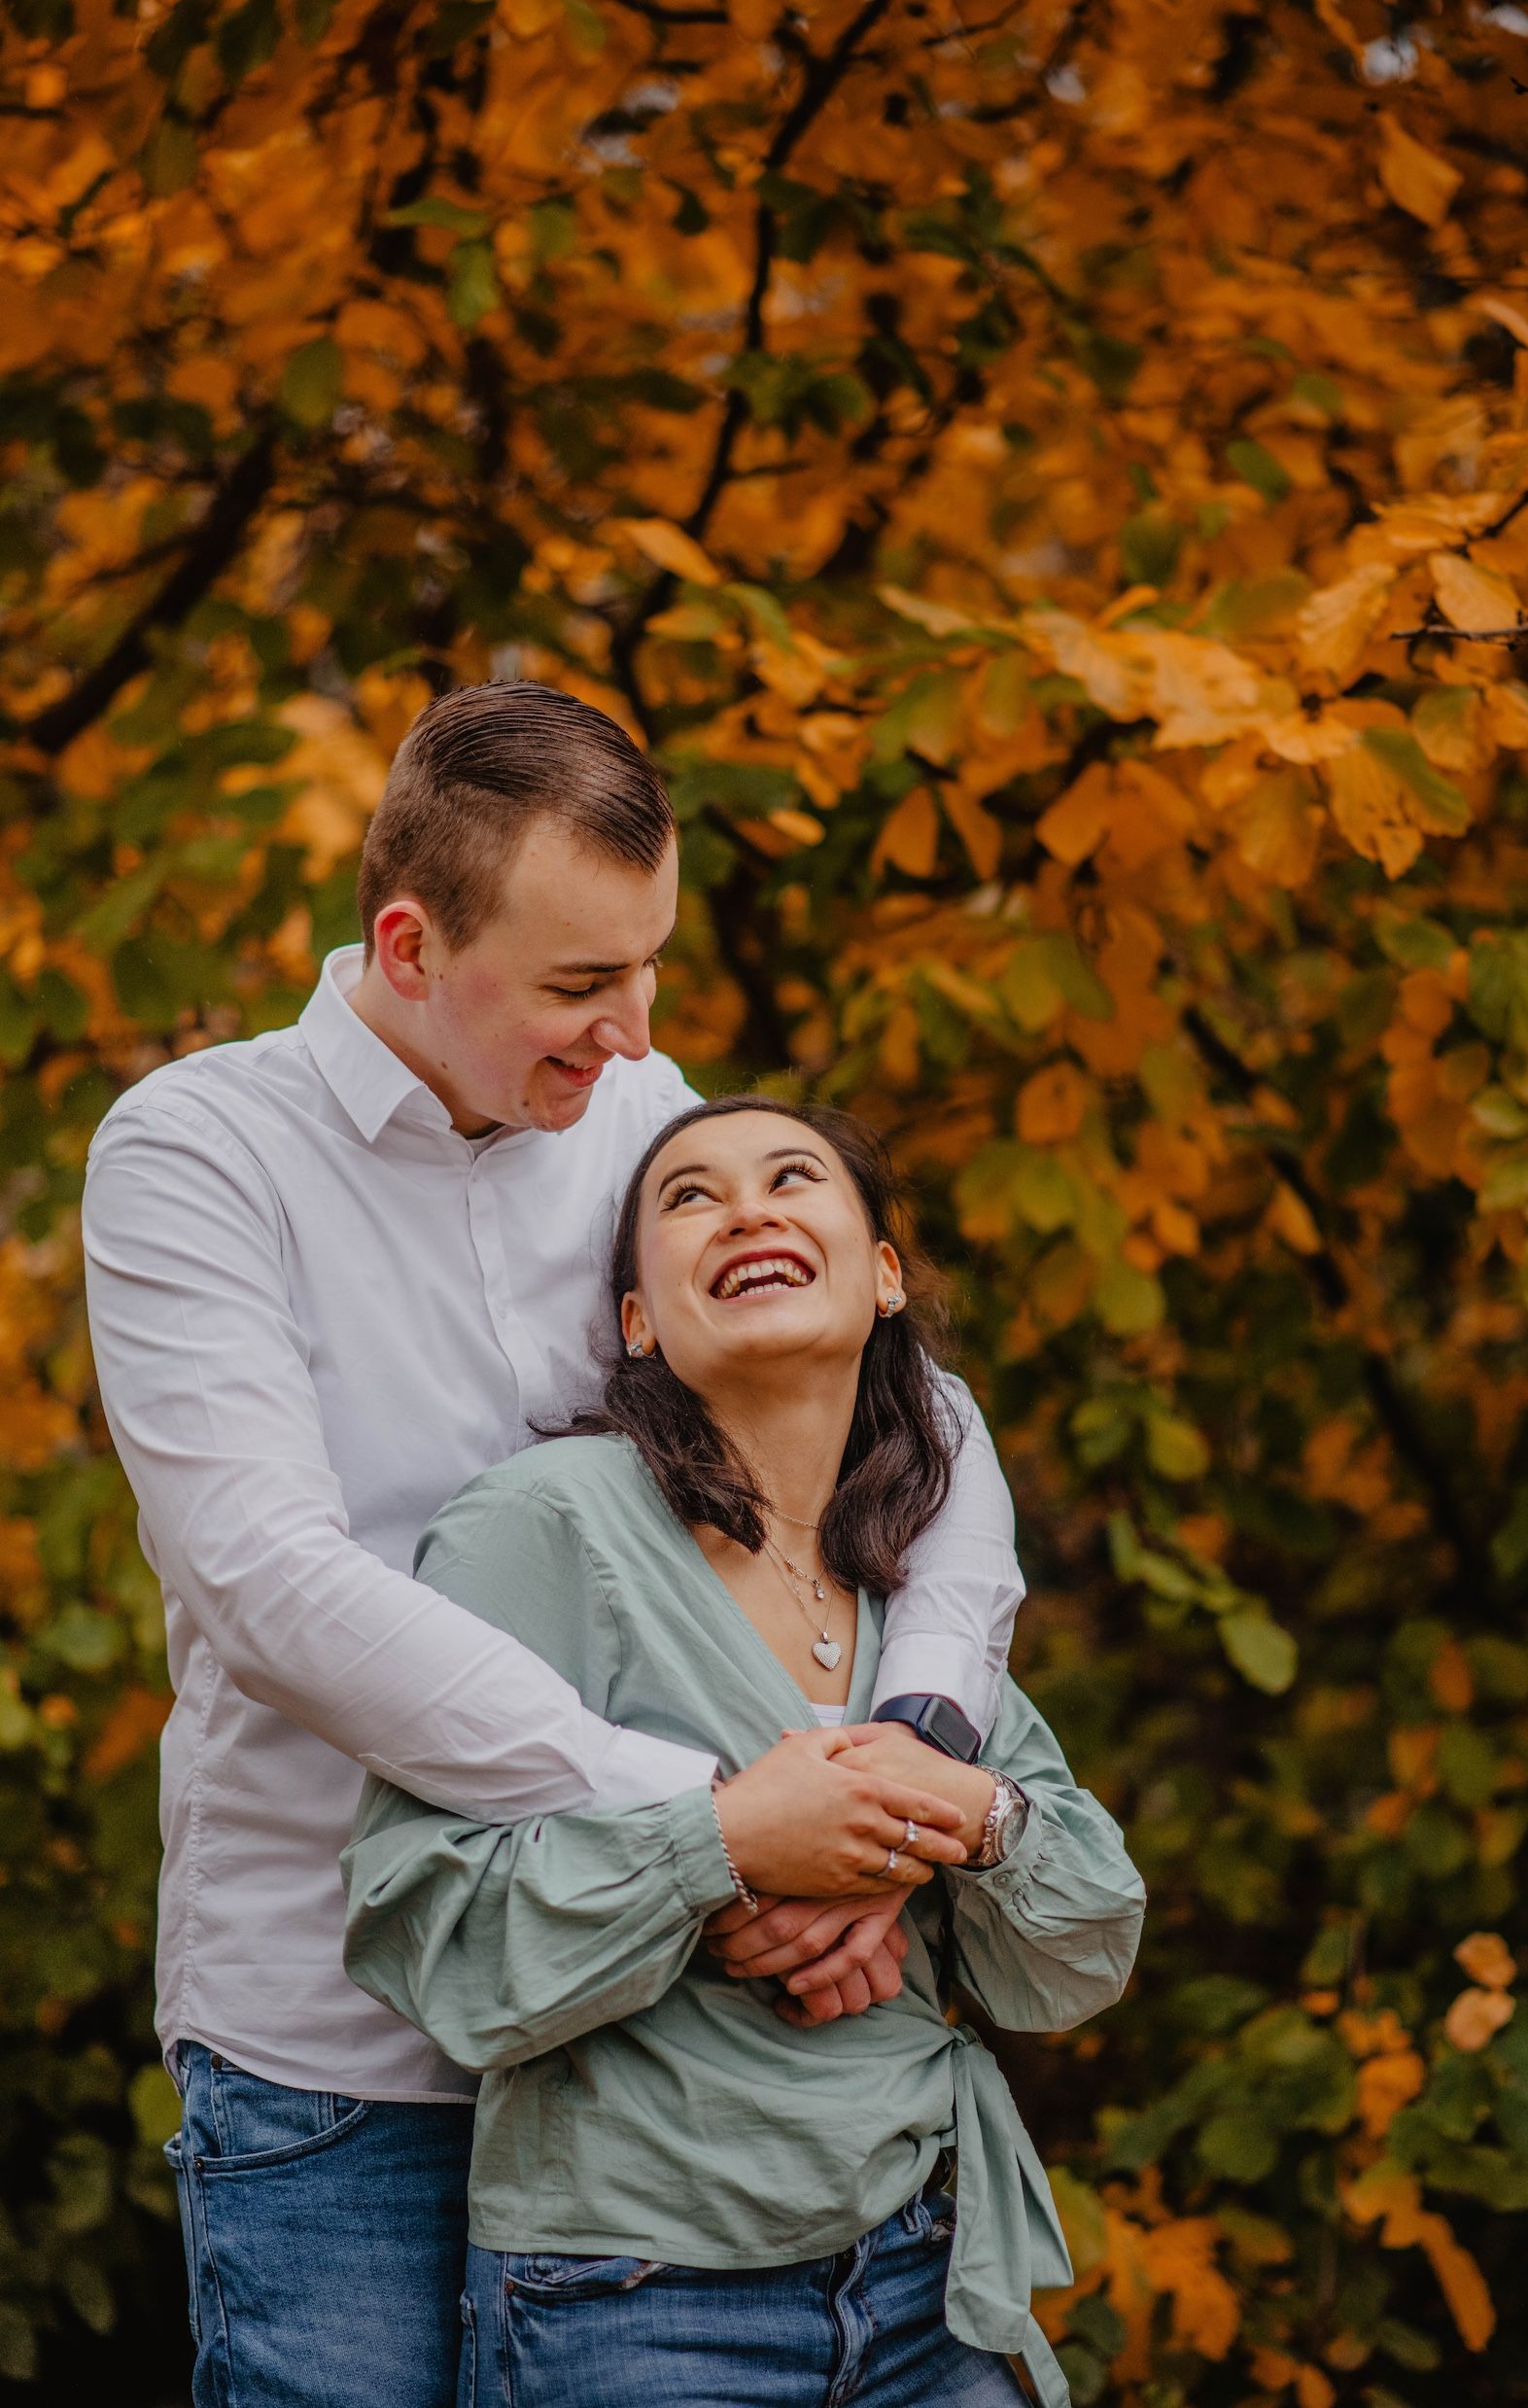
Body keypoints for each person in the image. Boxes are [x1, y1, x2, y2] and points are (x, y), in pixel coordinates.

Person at [81, 681, 1028, 2408]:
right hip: (340, 2054)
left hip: (650, 2046)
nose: (632, 1029)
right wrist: (713, 1823)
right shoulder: (198, 1153)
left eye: (649, 965)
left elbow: (923, 1420)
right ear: (412, 942)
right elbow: (270, 1584)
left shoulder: (643, 1125)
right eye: (582, 985)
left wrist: (906, 1767)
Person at [343, 1096, 1145, 2408]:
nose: (751, 1209)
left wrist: (959, 1814)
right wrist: (720, 1848)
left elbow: (1082, 1948)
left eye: (792, 1177)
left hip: (927, 2276)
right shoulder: (546, 1526)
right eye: (691, 1197)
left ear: (884, 1274)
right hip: (630, 2302)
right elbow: (425, 1925)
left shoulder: (918, 1573)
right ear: (639, 1322)